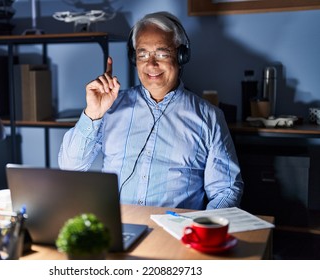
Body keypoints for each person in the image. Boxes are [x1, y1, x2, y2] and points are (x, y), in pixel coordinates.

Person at [58, 11, 243, 210]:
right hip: (119, 228)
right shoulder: (110, 106)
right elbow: (70, 166)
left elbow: (226, 189)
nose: (151, 64)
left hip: (175, 233)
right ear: (133, 58)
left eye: (162, 54)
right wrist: (93, 114)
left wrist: (201, 231)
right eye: (142, 54)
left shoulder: (209, 117)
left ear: (181, 56)